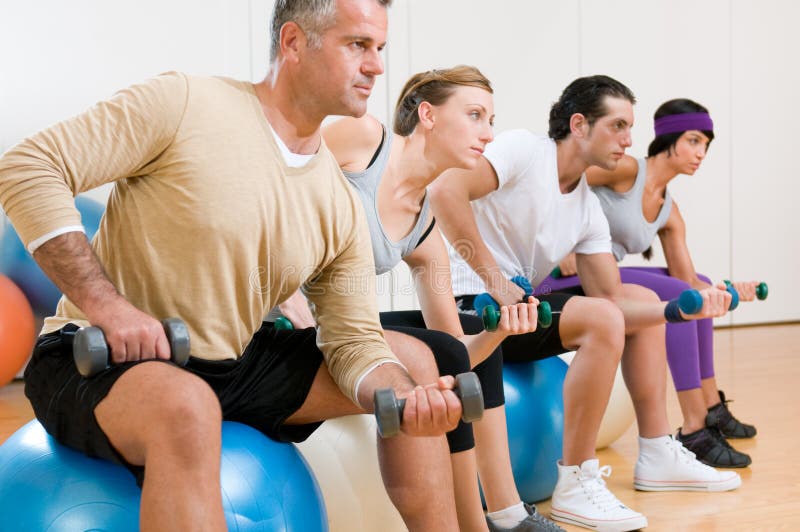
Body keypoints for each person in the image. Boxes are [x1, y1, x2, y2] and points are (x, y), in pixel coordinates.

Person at [0, 1, 469, 530]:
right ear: (294, 43)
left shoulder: (336, 200)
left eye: (379, 48)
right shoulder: (186, 103)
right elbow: (29, 166)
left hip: (231, 362)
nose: (377, 66)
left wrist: (407, 398)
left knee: (415, 362)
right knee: (187, 407)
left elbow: (355, 341)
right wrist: (108, 307)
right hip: (95, 358)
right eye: (357, 45)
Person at [430, 75, 741, 532]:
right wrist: (495, 281)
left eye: (630, 128)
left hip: (519, 311)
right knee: (602, 318)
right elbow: (444, 192)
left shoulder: (585, 207)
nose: (629, 141)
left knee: (639, 298)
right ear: (579, 124)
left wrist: (679, 310)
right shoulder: (523, 150)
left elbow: (613, 298)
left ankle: (655, 451)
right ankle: (576, 480)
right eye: (617, 126)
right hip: (467, 307)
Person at [319, 65, 562, 531]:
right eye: (475, 116)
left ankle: (484, 519)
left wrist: (497, 331)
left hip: (341, 327)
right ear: (427, 115)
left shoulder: (424, 226)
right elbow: (277, 178)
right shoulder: (362, 138)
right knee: (448, 349)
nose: (488, 134)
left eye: (491, 120)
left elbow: (457, 349)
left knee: (462, 335)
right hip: (278, 313)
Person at [547, 98, 757, 468]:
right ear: (669, 138)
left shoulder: (669, 210)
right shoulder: (626, 170)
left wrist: (724, 292)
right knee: (682, 296)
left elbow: (687, 277)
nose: (701, 153)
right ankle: (694, 429)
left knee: (700, 285)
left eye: (706, 145)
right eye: (694, 141)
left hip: (605, 279)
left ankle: (710, 407)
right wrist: (566, 237)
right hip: (564, 278)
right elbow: (561, 178)